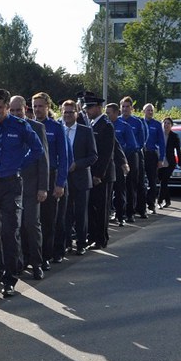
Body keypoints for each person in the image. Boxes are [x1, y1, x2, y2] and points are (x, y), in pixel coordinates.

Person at [0, 89, 45, 297]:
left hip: (11, 183)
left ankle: (10, 278)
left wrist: (19, 164)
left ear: (7, 107)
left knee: (9, 231)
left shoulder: (20, 126)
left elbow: (37, 150)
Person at [11, 95, 50, 280]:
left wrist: (43, 187)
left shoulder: (37, 128)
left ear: (26, 109)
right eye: (12, 110)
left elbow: (43, 160)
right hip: (11, 187)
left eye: (19, 110)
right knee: (14, 228)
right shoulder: (5, 127)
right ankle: (19, 263)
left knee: (32, 225)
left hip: (32, 187)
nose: (16, 114)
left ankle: (37, 264)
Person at [31, 93, 69, 267]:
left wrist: (60, 183)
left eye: (40, 106)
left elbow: (64, 157)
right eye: (35, 106)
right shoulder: (28, 126)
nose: (37, 109)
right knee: (30, 221)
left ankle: (48, 254)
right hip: (32, 176)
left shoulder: (55, 127)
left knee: (49, 219)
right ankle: (31, 255)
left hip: (51, 176)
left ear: (48, 107)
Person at [60, 99, 97, 255]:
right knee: (65, 214)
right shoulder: (58, 129)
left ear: (76, 113)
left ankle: (81, 243)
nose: (68, 115)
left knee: (81, 213)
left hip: (81, 179)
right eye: (65, 112)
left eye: (71, 112)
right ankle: (67, 242)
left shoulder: (85, 131)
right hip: (63, 180)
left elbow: (93, 156)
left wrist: (77, 164)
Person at [85, 95, 114, 250]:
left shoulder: (106, 125)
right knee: (92, 207)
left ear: (97, 107)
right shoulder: (92, 124)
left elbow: (107, 153)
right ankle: (93, 236)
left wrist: (98, 175)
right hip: (91, 173)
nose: (87, 110)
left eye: (89, 107)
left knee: (101, 208)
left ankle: (101, 239)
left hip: (101, 175)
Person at [115, 97, 146, 222]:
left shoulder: (137, 122)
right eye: (123, 106)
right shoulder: (116, 121)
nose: (125, 109)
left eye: (127, 106)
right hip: (118, 157)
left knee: (131, 184)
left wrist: (132, 148)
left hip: (132, 156)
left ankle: (131, 212)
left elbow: (142, 140)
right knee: (118, 186)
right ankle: (119, 212)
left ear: (132, 108)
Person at [142, 103, 165, 214]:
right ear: (143, 111)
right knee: (139, 181)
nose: (150, 112)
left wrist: (161, 158)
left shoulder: (156, 124)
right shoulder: (140, 123)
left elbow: (161, 142)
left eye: (151, 110)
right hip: (141, 154)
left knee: (152, 180)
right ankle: (140, 205)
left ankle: (151, 205)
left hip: (151, 155)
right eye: (148, 110)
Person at [158, 117, 181, 208]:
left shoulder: (174, 136)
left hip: (170, 162)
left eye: (168, 123)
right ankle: (168, 201)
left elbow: (178, 150)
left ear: (171, 125)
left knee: (164, 180)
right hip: (160, 161)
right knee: (162, 181)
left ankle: (159, 201)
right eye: (164, 123)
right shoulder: (159, 135)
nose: (166, 125)